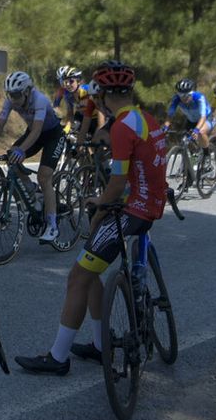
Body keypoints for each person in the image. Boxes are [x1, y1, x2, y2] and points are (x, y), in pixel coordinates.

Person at [15, 61, 168, 375]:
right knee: (92, 273)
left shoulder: (124, 127)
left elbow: (115, 181)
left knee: (76, 277)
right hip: (148, 205)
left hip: (132, 211)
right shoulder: (145, 119)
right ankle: (101, 348)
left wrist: (99, 209)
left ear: (104, 96)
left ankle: (58, 357)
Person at [0, 70, 66, 242]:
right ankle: (33, 192)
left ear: (26, 91)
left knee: (44, 176)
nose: (13, 98)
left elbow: (38, 130)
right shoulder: (11, 102)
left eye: (16, 94)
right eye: (10, 94)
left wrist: (21, 150)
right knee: (11, 157)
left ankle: (52, 225)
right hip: (33, 133)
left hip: (53, 135)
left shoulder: (39, 100)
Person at [166, 78, 213, 150]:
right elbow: (170, 114)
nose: (183, 98)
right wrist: (165, 126)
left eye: (186, 96)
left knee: (201, 132)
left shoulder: (199, 98)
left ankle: (207, 154)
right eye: (180, 95)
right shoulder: (176, 99)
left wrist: (197, 129)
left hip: (206, 118)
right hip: (191, 120)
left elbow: (202, 116)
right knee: (185, 139)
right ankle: (193, 155)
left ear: (192, 93)